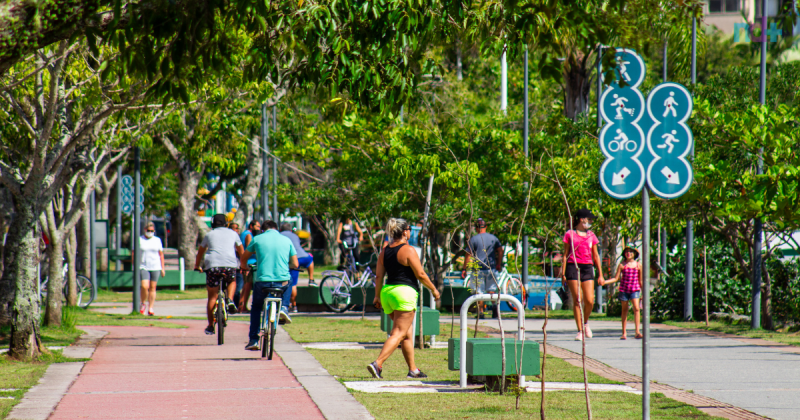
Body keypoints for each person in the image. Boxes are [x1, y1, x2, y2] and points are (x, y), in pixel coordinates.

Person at [368, 218, 440, 379]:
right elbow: (420, 274)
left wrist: (377, 296)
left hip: (388, 293)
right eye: (409, 229)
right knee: (399, 332)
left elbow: (379, 276)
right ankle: (377, 364)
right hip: (404, 293)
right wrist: (433, 289)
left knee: (406, 333)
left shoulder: (384, 251)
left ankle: (413, 369)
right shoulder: (408, 250)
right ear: (405, 232)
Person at [240, 220, 298, 350]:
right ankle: (284, 307)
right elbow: (295, 264)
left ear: (263, 230)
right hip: (281, 282)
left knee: (256, 307)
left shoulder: (257, 239)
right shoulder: (286, 240)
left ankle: (254, 339)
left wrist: (244, 267)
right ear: (276, 229)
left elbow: (244, 258)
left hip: (262, 282)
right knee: (289, 281)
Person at [195, 214, 244, 335]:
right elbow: (241, 250)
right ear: (226, 224)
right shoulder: (233, 233)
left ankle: (211, 325)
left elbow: (200, 251)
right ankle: (230, 300)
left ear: (212, 224)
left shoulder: (209, 234)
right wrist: (243, 264)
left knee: (212, 297)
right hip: (230, 265)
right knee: (232, 280)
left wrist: (197, 266)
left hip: (213, 266)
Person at [561, 208, 605, 341]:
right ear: (582, 219)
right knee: (577, 299)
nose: (591, 222)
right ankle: (579, 330)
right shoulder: (570, 234)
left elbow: (596, 255)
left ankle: (585, 322)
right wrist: (563, 274)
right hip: (572, 266)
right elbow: (565, 255)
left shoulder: (592, 235)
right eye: (589, 219)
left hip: (587, 267)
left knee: (590, 300)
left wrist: (600, 274)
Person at [461, 218, 504, 318]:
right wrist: (498, 263)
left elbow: (468, 255)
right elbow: (500, 251)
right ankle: (494, 309)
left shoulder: (474, 239)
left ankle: (481, 312)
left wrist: (464, 269)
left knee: (479, 291)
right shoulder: (493, 238)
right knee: (492, 290)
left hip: (478, 269)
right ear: (486, 227)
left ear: (476, 228)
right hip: (491, 268)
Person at [601, 246, 643, 340]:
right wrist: (605, 282)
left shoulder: (638, 265)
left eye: (631, 252)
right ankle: (624, 332)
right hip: (624, 290)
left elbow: (641, 281)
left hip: (635, 289)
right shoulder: (622, 265)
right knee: (624, 310)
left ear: (635, 254)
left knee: (636, 308)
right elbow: (616, 278)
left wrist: (643, 292)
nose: (629, 253)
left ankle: (637, 331)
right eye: (627, 252)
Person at [280, 223, 316, 312]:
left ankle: (294, 305)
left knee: (293, 284)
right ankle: (311, 279)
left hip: (293, 260)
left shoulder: (280, 235)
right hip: (303, 256)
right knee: (310, 259)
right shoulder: (295, 235)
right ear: (291, 230)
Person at [139, 222, 165, 316]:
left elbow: (161, 254)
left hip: (155, 266)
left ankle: (151, 307)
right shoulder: (140, 239)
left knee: (152, 287)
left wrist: (162, 268)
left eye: (152, 231)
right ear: (145, 230)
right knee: (144, 286)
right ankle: (143, 303)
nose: (150, 232)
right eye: (148, 230)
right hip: (143, 265)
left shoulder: (157, 240)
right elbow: (134, 252)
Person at [238, 219, 261, 313]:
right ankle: (242, 306)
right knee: (247, 285)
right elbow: (250, 248)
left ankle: (241, 305)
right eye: (257, 226)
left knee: (246, 285)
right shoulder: (248, 234)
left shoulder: (244, 233)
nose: (259, 228)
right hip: (250, 263)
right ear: (251, 226)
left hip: (248, 262)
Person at [228, 222, 245, 305]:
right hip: (231, 266)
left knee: (238, 288)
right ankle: (231, 303)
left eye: (238, 228)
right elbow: (241, 252)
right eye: (235, 228)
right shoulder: (229, 239)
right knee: (235, 287)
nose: (237, 230)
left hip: (237, 266)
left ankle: (235, 305)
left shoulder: (238, 238)